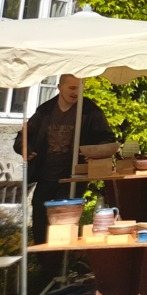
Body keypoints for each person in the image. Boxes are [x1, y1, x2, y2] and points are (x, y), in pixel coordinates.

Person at [16, 74, 115, 245]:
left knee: (64, 223)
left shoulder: (90, 111)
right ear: (59, 87)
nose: (76, 92)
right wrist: (26, 149)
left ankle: (60, 262)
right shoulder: (45, 110)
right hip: (45, 177)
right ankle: (45, 264)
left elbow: (107, 138)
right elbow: (23, 138)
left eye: (80, 88)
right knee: (40, 218)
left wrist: (94, 151)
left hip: (73, 178)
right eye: (72, 88)